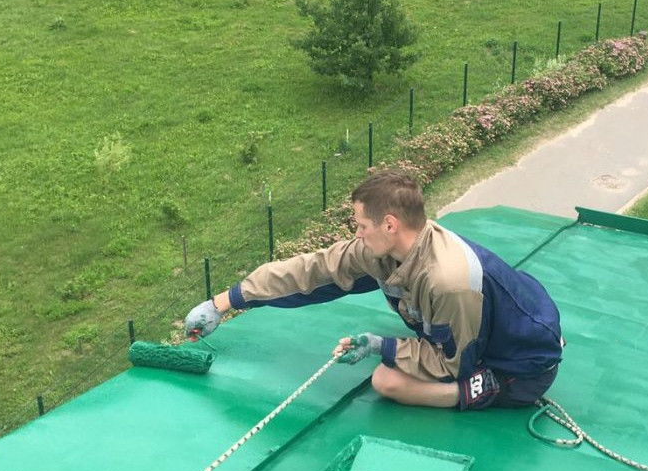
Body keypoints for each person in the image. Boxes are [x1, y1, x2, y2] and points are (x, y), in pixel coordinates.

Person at [185, 170, 564, 410]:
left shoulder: (448, 281)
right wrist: (223, 302)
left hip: (521, 361)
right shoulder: (382, 251)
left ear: (390, 224)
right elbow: (312, 270)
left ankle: (485, 390)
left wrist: (382, 346)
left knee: (388, 381)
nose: (357, 233)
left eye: (361, 225)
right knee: (393, 356)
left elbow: (453, 364)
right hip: (476, 326)